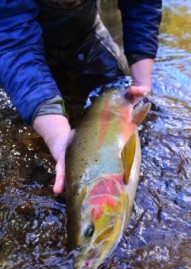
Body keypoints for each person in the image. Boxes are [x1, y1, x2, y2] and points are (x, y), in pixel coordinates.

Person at [0, 0, 162, 195]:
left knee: (132, 102)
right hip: (14, 46)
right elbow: (14, 44)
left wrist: (141, 81)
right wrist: (61, 142)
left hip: (86, 38)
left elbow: (141, 5)